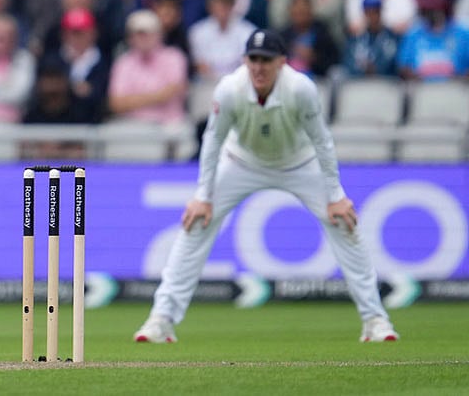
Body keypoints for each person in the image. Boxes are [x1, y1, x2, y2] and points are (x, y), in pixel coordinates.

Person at [133, 29, 400, 345]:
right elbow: (213, 140)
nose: (259, 68)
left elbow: (322, 141)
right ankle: (161, 319)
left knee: (345, 225)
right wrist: (202, 196)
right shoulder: (230, 89)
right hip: (240, 161)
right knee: (194, 224)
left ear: (282, 62)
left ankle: (375, 319)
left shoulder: (301, 89)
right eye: (253, 59)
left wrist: (335, 195)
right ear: (245, 60)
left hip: (299, 163)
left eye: (266, 60)